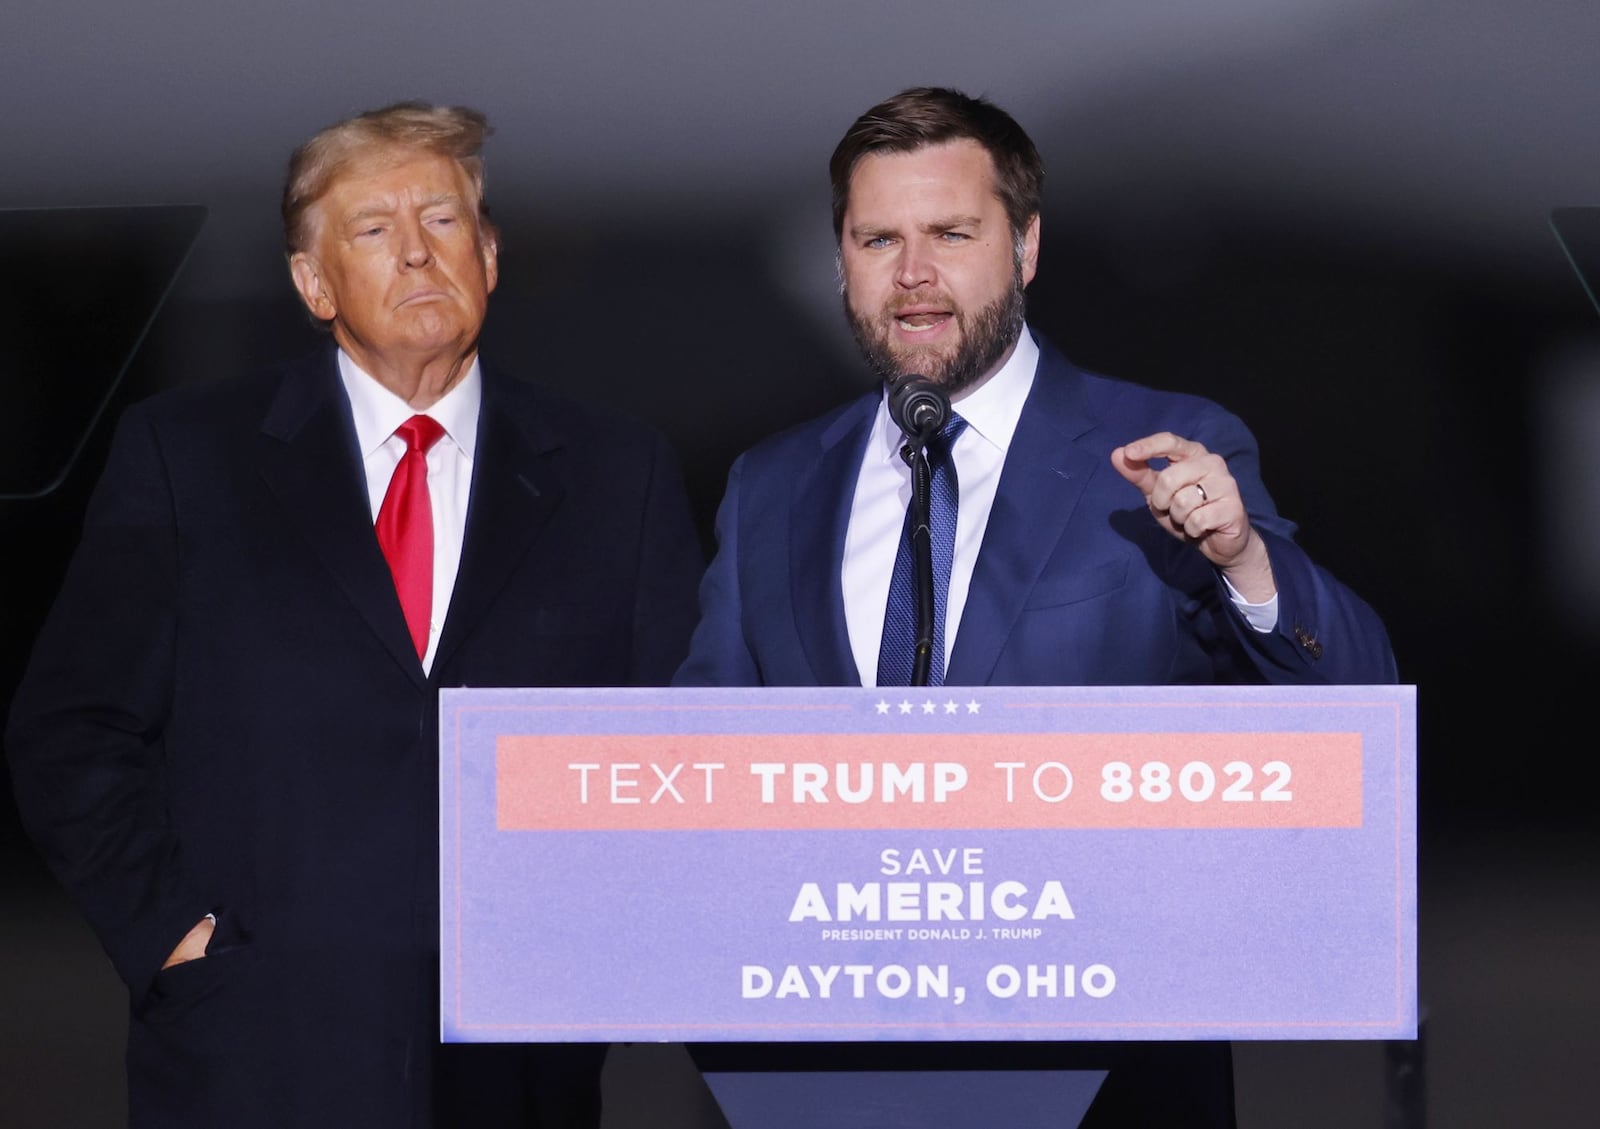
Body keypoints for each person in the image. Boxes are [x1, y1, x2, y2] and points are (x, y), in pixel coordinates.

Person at [674, 87, 1397, 1126]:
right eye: (878, 237)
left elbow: (1353, 696)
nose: (913, 273)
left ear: (1024, 247)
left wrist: (1241, 560)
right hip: (829, 1081)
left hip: (1107, 1078)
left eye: (951, 233)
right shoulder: (773, 485)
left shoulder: (1161, 448)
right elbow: (703, 777)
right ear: (841, 260)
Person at [6, 102, 704, 1129]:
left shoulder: (615, 473)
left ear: (492, 253)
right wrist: (168, 934)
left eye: (444, 220)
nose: (419, 253)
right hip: (253, 1051)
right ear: (312, 282)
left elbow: (675, 743)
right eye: (374, 230)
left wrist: (596, 950)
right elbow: (70, 727)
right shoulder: (189, 459)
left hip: (514, 1072)